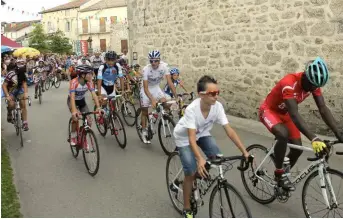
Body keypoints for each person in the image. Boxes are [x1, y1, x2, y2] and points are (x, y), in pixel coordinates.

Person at [259, 57, 343, 191]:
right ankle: (279, 173)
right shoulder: (289, 83)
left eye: (316, 86)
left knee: (297, 148)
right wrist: (314, 138)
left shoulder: (314, 85)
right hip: (269, 111)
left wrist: (338, 133)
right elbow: (294, 114)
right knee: (283, 134)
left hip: (285, 114)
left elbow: (322, 108)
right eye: (312, 85)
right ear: (305, 76)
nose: (313, 88)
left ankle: (284, 174)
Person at [173, 75, 249, 218]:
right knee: (190, 172)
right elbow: (191, 138)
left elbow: (229, 131)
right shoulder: (192, 110)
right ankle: (187, 206)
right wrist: (200, 158)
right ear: (201, 95)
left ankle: (196, 177)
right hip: (184, 138)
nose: (216, 97)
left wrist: (244, 151)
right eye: (212, 94)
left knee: (217, 157)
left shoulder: (217, 107)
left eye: (218, 93)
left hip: (202, 134)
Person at [140, 50, 177, 144]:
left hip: (156, 88)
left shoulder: (164, 66)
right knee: (144, 111)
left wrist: (176, 97)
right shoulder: (146, 69)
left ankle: (153, 116)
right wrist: (152, 100)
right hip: (146, 90)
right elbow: (145, 88)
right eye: (151, 61)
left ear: (159, 60)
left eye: (156, 61)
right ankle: (143, 131)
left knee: (165, 103)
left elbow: (170, 82)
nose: (153, 63)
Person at [68, 65, 103, 146]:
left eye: (91, 73)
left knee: (89, 120)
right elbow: (72, 97)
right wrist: (74, 111)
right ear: (82, 75)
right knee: (75, 118)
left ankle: (83, 135)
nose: (91, 75)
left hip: (81, 101)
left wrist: (98, 107)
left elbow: (94, 95)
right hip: (72, 101)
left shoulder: (89, 83)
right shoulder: (74, 82)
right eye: (89, 74)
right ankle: (73, 135)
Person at [2, 59, 29, 130]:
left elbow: (24, 84)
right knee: (11, 104)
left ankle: (25, 122)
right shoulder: (10, 73)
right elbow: (4, 85)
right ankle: (9, 111)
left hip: (19, 90)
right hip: (11, 91)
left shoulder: (23, 74)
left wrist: (26, 93)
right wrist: (7, 96)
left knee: (23, 104)